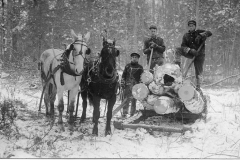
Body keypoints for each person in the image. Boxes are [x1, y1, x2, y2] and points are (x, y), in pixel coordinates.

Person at [174, 20, 212, 90]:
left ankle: (198, 86)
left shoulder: (199, 32)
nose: (191, 27)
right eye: (190, 26)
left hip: (200, 54)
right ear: (188, 27)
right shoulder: (186, 35)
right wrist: (190, 50)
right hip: (191, 53)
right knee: (178, 50)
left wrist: (201, 36)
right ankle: (177, 68)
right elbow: (183, 46)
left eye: (192, 26)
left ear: (195, 26)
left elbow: (209, 33)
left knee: (198, 71)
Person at [121, 52, 143, 117]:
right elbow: (123, 75)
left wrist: (140, 85)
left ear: (138, 59)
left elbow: (142, 77)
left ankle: (132, 114)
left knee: (134, 100)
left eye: (136, 57)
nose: (134, 59)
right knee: (125, 100)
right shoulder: (127, 66)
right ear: (131, 58)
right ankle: (124, 113)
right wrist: (122, 82)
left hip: (135, 86)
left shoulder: (140, 67)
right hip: (127, 85)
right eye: (133, 57)